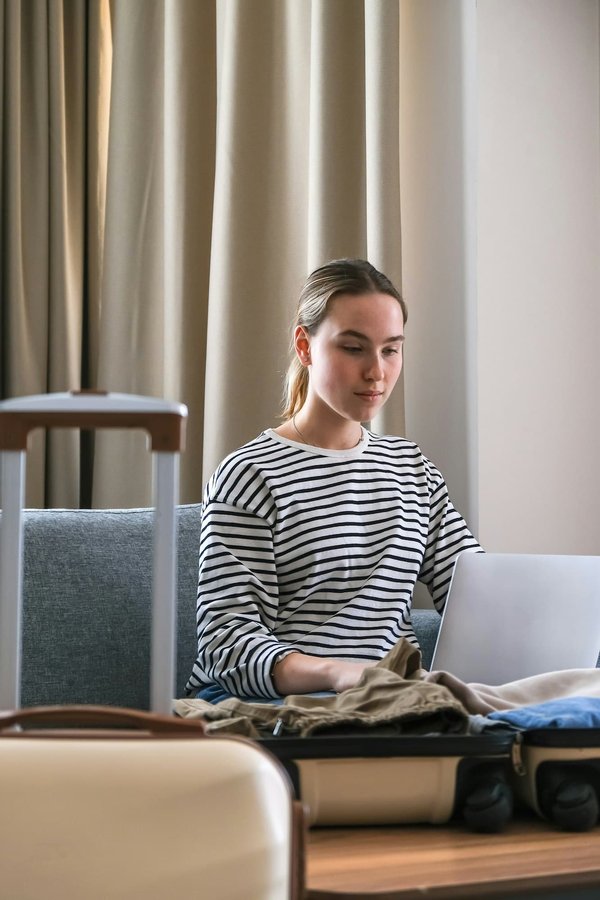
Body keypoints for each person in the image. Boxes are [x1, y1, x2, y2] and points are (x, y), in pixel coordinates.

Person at [186, 258, 481, 703]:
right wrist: (339, 673)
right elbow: (227, 645)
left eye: (391, 349)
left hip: (383, 703)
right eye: (353, 348)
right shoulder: (250, 476)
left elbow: (476, 592)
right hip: (270, 704)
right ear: (305, 347)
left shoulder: (411, 469)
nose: (377, 372)